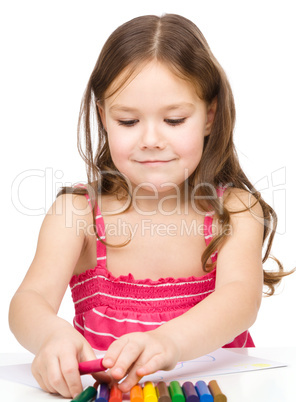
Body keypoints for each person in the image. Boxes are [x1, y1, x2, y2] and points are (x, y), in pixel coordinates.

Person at [9, 13, 292, 399]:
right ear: (103, 117)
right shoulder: (77, 214)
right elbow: (29, 300)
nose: (151, 139)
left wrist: (168, 342)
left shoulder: (236, 210)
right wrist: (51, 336)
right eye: (128, 121)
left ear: (209, 116)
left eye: (174, 120)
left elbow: (241, 298)